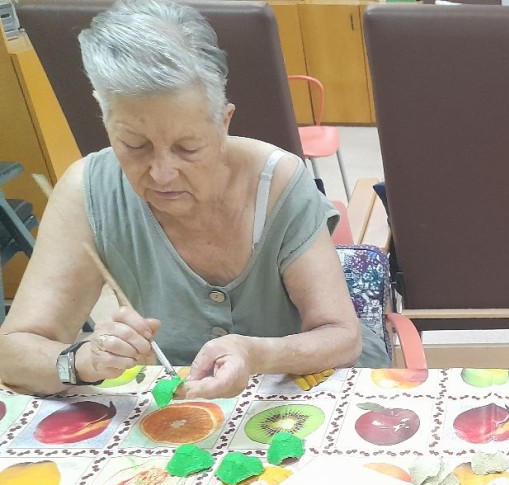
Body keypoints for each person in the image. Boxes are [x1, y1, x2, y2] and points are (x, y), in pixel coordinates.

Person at [0, 0, 383, 399]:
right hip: (182, 413)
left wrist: (254, 353)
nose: (162, 173)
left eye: (188, 147)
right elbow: (12, 354)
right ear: (105, 117)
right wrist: (81, 360)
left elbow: (341, 336)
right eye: (134, 145)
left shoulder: (277, 182)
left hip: (300, 396)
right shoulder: (88, 192)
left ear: (224, 122)